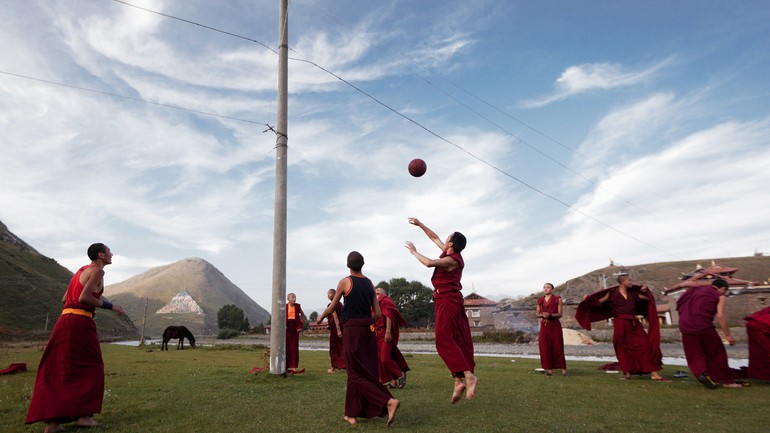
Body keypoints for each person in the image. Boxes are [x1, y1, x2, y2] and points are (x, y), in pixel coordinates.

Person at [26, 243, 125, 433]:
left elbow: (65, 299)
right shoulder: (98, 272)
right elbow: (84, 298)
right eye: (109, 251)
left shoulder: (81, 270)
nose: (112, 253)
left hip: (65, 320)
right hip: (80, 322)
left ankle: (53, 424)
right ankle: (83, 417)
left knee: (61, 367)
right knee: (91, 365)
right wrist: (111, 307)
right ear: (101, 255)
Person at [317, 251, 399, 426]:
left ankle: (388, 401)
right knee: (365, 371)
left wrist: (319, 318)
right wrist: (367, 323)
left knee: (355, 373)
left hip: (352, 329)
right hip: (368, 329)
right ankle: (351, 413)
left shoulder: (345, 282)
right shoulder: (369, 283)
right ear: (363, 264)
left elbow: (332, 308)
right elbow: (377, 313)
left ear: (348, 265)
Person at [405, 217, 477, 404]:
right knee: (454, 339)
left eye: (447, 238)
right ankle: (458, 381)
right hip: (444, 300)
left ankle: (468, 375)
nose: (443, 240)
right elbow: (434, 237)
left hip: (448, 301)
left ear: (451, 243)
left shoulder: (451, 260)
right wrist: (420, 225)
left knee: (443, 340)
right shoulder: (449, 253)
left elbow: (429, 263)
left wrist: (414, 252)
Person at [576, 274, 669, 381]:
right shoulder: (611, 293)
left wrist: (645, 290)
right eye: (629, 280)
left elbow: (648, 299)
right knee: (622, 347)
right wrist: (588, 299)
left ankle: (654, 373)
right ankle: (627, 373)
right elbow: (598, 303)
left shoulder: (634, 293)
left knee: (645, 346)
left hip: (634, 324)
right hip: (620, 323)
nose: (632, 282)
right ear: (623, 281)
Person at [677, 279, 744, 388]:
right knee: (717, 353)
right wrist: (728, 334)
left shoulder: (695, 291)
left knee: (695, 353)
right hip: (703, 326)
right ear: (722, 288)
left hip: (685, 325)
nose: (724, 293)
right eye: (725, 291)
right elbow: (720, 316)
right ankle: (726, 381)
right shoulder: (720, 296)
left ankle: (702, 373)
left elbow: (680, 302)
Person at [375, 286, 410, 388]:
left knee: (385, 359)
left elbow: (388, 315)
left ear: (384, 293)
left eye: (379, 290)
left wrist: (388, 331)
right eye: (375, 290)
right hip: (376, 334)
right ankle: (393, 382)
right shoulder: (373, 303)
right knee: (382, 360)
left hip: (385, 332)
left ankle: (400, 374)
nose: (376, 290)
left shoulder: (386, 300)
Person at [536, 282, 567, 377]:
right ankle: (549, 370)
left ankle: (563, 370)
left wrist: (550, 315)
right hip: (544, 327)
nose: (546, 289)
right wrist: (542, 315)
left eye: (548, 287)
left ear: (552, 289)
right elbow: (537, 314)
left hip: (555, 326)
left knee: (558, 346)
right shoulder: (540, 300)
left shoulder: (558, 299)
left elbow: (560, 314)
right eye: (544, 287)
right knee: (545, 347)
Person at [744, 305, 770, 380]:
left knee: (760, 353)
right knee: (762, 352)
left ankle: (760, 374)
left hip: (758, 325)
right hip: (759, 326)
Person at [325, 288, 346, 373]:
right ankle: (342, 365)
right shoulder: (340, 304)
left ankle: (334, 367)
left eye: (330, 294)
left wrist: (338, 329)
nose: (329, 295)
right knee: (341, 347)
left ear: (335, 295)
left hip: (336, 329)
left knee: (334, 348)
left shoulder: (333, 304)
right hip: (341, 328)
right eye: (328, 294)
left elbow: (335, 317)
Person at [286, 292, 306, 374]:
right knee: (286, 347)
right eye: (292, 297)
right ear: (288, 299)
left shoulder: (297, 306)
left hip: (294, 329)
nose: (294, 299)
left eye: (295, 297)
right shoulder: (285, 306)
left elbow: (303, 316)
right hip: (286, 329)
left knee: (294, 348)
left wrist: (300, 324)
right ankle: (285, 366)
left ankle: (293, 367)